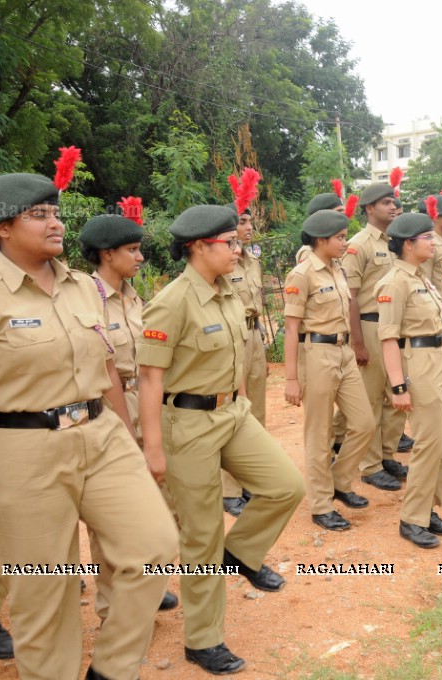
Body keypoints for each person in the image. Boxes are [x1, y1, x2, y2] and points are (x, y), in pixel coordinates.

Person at [0, 170, 176, 680]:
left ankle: (111, 669)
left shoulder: (81, 287)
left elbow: (107, 365)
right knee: (46, 591)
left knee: (154, 548)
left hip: (100, 430)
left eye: (56, 213)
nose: (56, 223)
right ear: (2, 227)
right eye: (38, 214)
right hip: (20, 447)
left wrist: (129, 437)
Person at [137, 204, 304, 674]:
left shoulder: (228, 291)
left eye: (237, 241)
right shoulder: (171, 301)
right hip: (187, 424)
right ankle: (202, 640)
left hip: (233, 411)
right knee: (202, 534)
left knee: (286, 485)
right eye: (228, 243)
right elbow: (150, 378)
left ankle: (240, 553)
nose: (238, 249)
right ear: (197, 247)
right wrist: (153, 447)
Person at [79, 203, 180, 616]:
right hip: (108, 406)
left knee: (158, 498)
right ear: (107, 253)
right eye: (133, 250)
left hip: (147, 400)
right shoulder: (87, 298)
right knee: (111, 516)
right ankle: (113, 604)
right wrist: (124, 428)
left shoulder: (135, 297)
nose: (140, 257)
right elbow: (104, 370)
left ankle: (150, 586)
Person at [377, 212, 442, 548]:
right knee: (428, 443)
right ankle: (412, 518)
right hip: (420, 361)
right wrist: (398, 386)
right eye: (427, 237)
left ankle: (429, 508)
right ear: (408, 244)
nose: (433, 242)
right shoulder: (394, 282)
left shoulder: (422, 277)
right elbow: (389, 339)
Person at [283, 209, 373, 531]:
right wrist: (291, 378)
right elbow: (291, 329)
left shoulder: (338, 270)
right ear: (321, 240)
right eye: (339, 237)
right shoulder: (302, 274)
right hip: (316, 354)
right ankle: (321, 505)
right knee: (319, 434)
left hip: (343, 352)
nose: (345, 242)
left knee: (364, 422)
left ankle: (338, 481)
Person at [342, 182, 409, 491]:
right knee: (370, 398)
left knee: (397, 392)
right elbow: (351, 297)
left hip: (396, 327)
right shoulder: (358, 245)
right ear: (369, 209)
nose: (393, 206)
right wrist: (357, 342)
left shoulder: (398, 242)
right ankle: (370, 465)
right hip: (370, 326)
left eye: (394, 201)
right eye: (385, 203)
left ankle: (387, 454)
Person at [221, 176, 266, 516]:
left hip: (255, 336)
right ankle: (229, 488)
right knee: (232, 409)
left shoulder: (253, 260)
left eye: (249, 220)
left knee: (257, 409)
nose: (248, 226)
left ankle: (252, 479)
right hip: (232, 338)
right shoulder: (222, 263)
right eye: (241, 220)